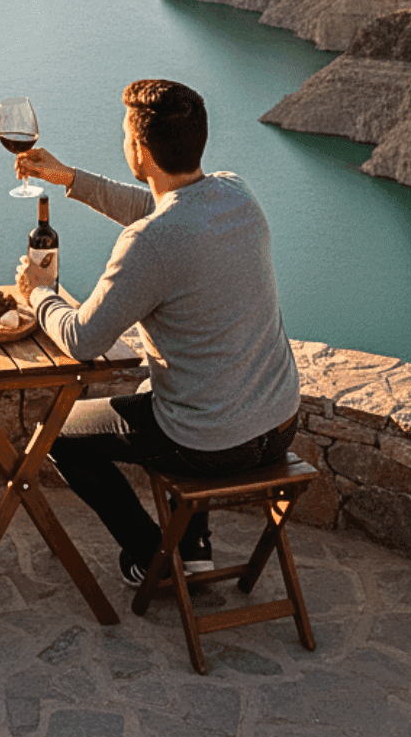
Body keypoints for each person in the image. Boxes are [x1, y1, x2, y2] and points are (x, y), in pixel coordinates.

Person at [15, 79, 299, 586]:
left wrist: (40, 293)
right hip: (278, 428)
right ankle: (194, 548)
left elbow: (83, 340)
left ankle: (155, 557)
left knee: (57, 435)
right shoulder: (237, 193)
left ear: (140, 152)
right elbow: (164, 210)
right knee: (155, 391)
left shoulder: (148, 244)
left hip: (210, 444)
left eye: (127, 136)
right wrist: (69, 178)